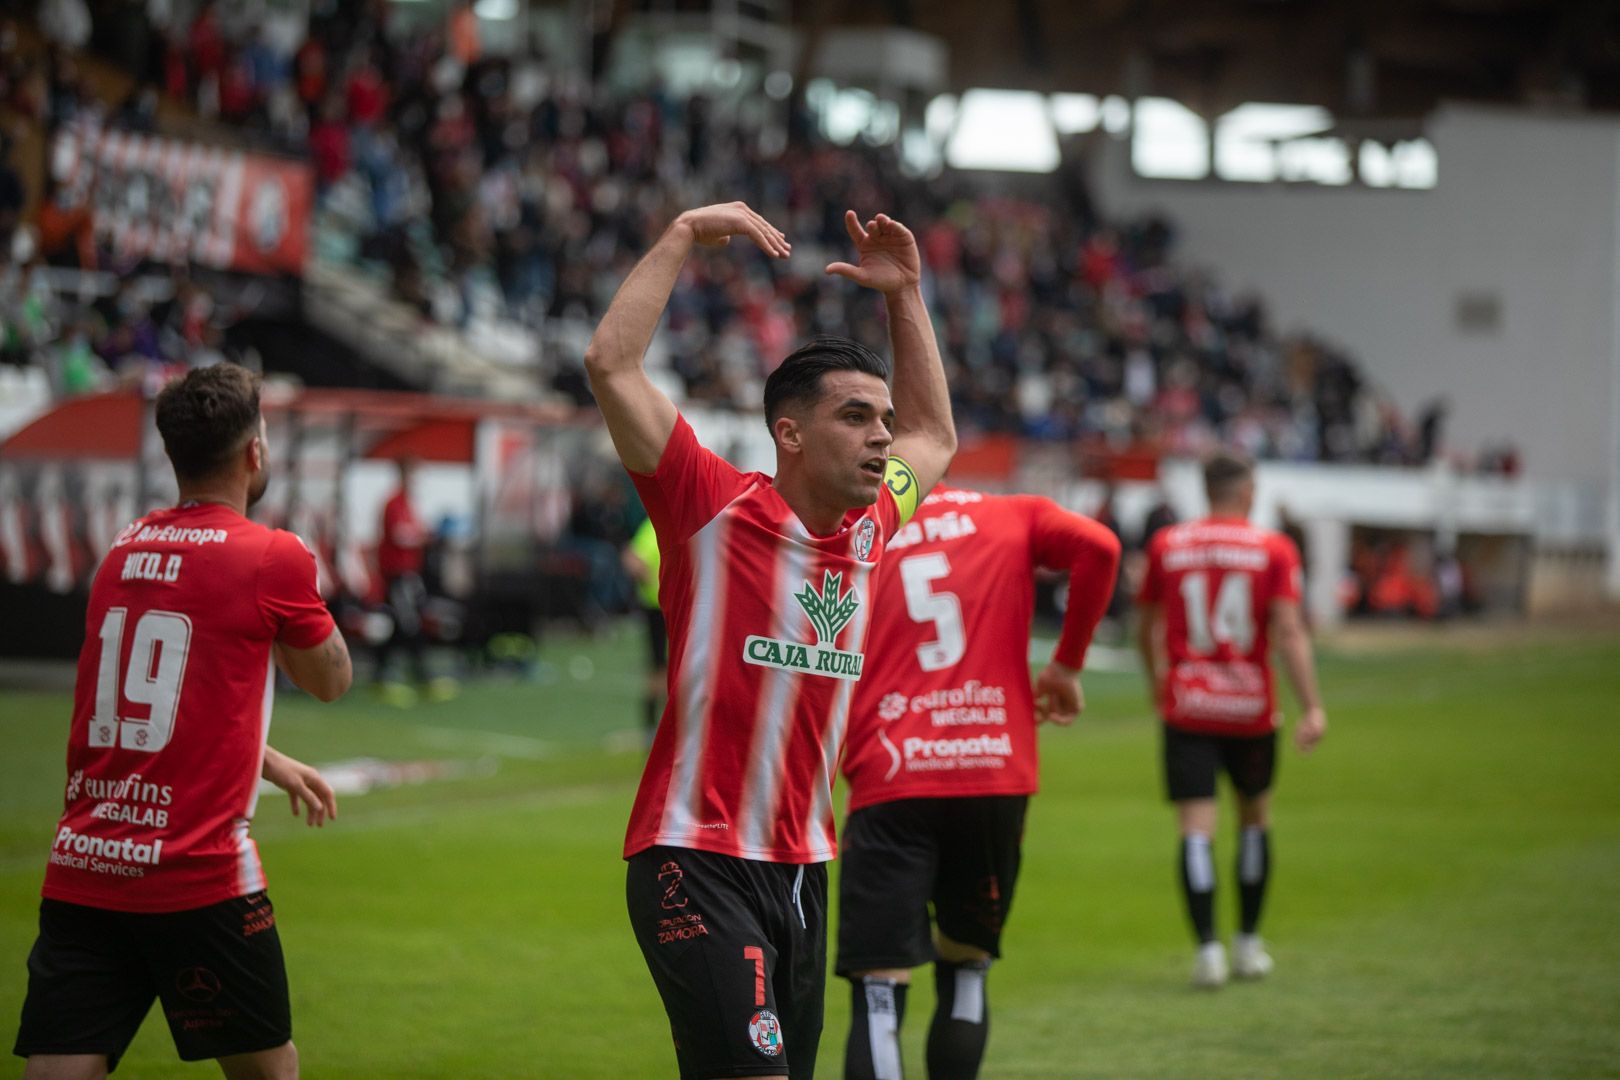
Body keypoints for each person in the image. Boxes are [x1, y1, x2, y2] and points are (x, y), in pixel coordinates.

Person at [585, 202, 955, 1080]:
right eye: (856, 419)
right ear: (789, 433)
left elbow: (934, 434)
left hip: (802, 867)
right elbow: (611, 363)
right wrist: (678, 235)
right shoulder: (711, 505)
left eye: (881, 420)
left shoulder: (868, 530)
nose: (880, 439)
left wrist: (905, 296)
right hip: (695, 855)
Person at [13, 362, 353, 1079]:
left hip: (84, 866)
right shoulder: (273, 556)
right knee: (269, 1072)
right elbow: (332, 681)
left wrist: (268, 758)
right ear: (255, 452)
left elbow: (163, 700)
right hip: (197, 876)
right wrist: (301, 594)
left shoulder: (122, 551)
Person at [837, 485, 1120, 1080]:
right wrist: (1066, 664)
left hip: (893, 771)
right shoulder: (1013, 513)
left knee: (878, 990)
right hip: (993, 770)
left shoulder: (856, 524)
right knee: (967, 966)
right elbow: (1101, 546)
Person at [1134, 450, 1327, 988]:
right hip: (1250, 712)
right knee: (1253, 820)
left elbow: (1144, 623)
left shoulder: (1167, 545)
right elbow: (1288, 631)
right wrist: (1312, 705)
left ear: (1205, 490)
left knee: (1195, 832)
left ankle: (1207, 954)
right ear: (1248, 493)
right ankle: (1247, 945)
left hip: (1188, 707)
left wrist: (1157, 681)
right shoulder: (1274, 549)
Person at [375, 458, 452, 704]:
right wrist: (424, 535)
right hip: (397, 574)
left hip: (408, 574)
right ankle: (423, 677)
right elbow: (401, 535)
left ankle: (382, 675)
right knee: (409, 624)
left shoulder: (408, 503)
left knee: (400, 624)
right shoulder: (394, 503)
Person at [621, 515, 666, 743]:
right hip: (662, 608)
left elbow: (631, 558)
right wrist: (652, 582)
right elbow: (632, 559)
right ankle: (652, 729)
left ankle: (654, 729)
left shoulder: (656, 523)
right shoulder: (655, 525)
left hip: (666, 606)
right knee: (661, 668)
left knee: (663, 668)